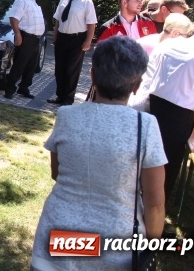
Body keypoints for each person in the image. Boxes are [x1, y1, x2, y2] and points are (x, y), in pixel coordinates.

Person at [31, 37, 166, 271]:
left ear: (92, 76)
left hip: (60, 232)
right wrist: (152, 248)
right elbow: (155, 203)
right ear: (136, 85)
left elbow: (57, 173)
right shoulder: (146, 125)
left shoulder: (66, 116)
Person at [137, 12, 194, 201]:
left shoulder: (170, 44)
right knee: (163, 171)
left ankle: (135, 208)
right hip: (176, 121)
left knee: (141, 162)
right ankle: (152, 219)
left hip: (148, 108)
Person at [48, 0, 97, 106]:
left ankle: (68, 99)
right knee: (59, 68)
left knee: (71, 69)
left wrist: (88, 41)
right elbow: (58, 19)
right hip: (62, 37)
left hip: (77, 38)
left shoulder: (86, 2)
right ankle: (60, 95)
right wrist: (55, 36)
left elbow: (91, 23)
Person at [4, 0, 45, 100]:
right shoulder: (22, 0)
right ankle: (9, 89)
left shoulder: (33, 1)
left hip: (35, 39)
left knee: (31, 65)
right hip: (26, 37)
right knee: (20, 64)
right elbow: (14, 18)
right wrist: (18, 34)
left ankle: (24, 87)